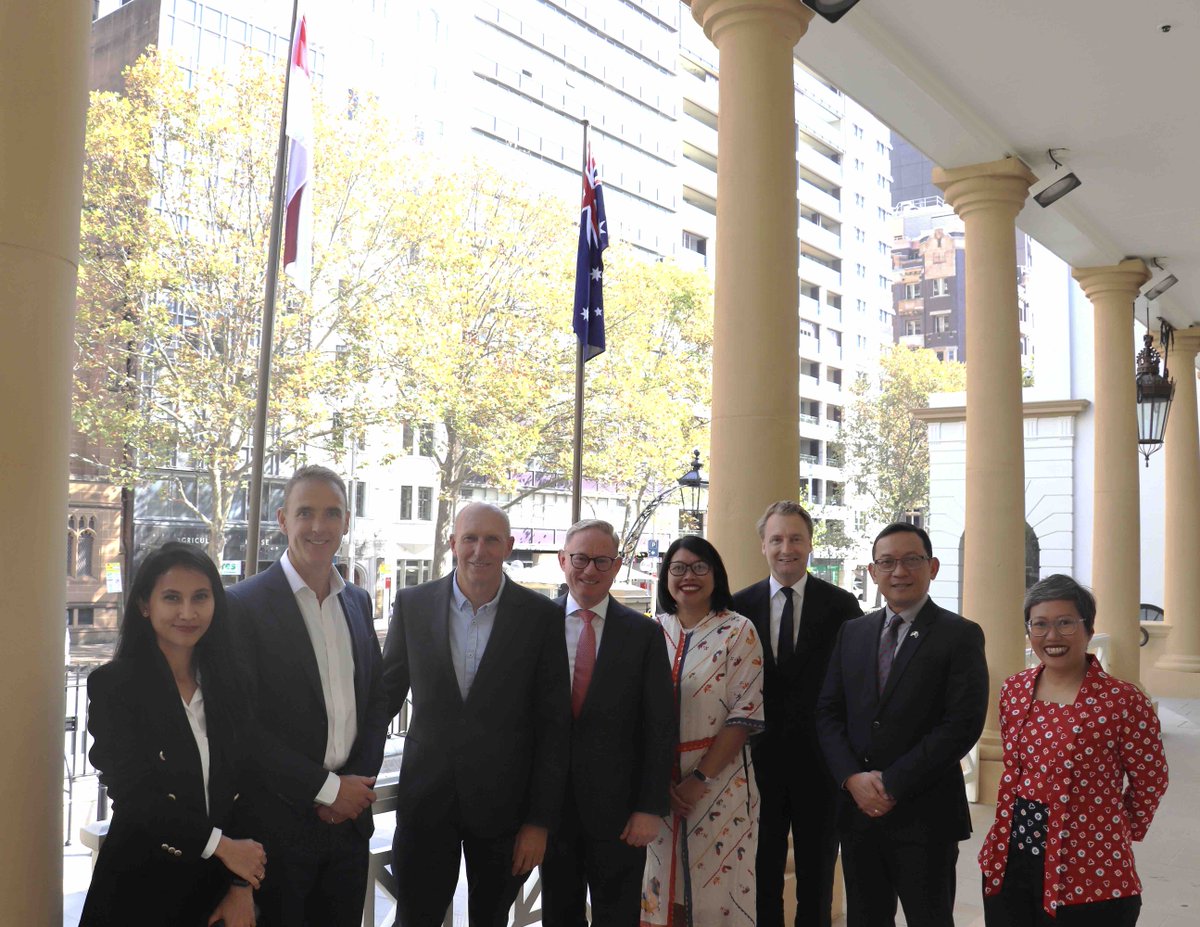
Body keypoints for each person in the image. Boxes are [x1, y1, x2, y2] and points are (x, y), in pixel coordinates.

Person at [382, 502, 571, 927]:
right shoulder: (413, 605)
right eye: (469, 538)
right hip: (426, 806)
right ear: (453, 544)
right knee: (414, 919)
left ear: (509, 546)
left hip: (506, 812)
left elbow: (554, 726)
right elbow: (385, 697)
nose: (478, 550)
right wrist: (351, 774)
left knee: (492, 920)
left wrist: (539, 821)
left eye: (490, 539)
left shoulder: (540, 616)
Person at [226, 465, 390, 927]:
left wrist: (353, 788)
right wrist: (326, 790)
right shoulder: (243, 605)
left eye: (331, 513)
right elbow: (242, 727)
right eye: (306, 513)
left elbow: (376, 704)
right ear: (282, 520)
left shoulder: (357, 601)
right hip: (279, 830)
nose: (319, 527)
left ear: (346, 522)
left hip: (350, 828)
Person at [81, 542, 265, 927]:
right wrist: (223, 847)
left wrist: (240, 886)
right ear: (145, 605)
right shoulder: (114, 686)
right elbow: (135, 796)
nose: (187, 612)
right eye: (171, 598)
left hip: (218, 891)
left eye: (200, 597)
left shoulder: (233, 683)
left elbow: (248, 790)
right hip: (142, 891)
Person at [816, 523, 988, 927]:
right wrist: (851, 779)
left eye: (911, 560)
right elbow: (827, 712)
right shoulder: (853, 632)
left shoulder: (959, 635)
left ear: (932, 567)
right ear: (873, 572)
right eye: (887, 562)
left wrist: (892, 782)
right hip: (859, 815)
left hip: (925, 816)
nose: (899, 572)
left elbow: (961, 724)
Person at [978, 574, 1168, 926]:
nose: (1052, 636)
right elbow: (1016, 769)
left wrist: (1112, 830)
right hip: (1010, 860)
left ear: (1088, 628)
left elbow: (1151, 780)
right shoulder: (1014, 690)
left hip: (1090, 870)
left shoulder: (1122, 700)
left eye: (1065, 623)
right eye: (1040, 624)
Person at [731, 501, 863, 927]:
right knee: (762, 871)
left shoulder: (843, 607)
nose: (786, 548)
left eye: (795, 539)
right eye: (776, 539)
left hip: (821, 767)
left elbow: (856, 687)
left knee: (818, 873)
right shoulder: (737, 607)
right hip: (754, 768)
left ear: (809, 544)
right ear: (763, 546)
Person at [539, 519, 673, 927]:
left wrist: (650, 807)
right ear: (563, 561)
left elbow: (659, 725)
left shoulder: (644, 634)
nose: (590, 570)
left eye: (602, 560)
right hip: (549, 809)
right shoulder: (534, 626)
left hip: (620, 814)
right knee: (559, 915)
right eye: (580, 558)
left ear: (617, 567)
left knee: (617, 916)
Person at [640, 535, 765, 927]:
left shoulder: (738, 630)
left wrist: (699, 778)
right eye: (678, 568)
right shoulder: (650, 631)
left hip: (720, 784)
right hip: (657, 786)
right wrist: (656, 781)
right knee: (660, 890)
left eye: (699, 567)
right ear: (665, 577)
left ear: (715, 575)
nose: (688, 576)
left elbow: (744, 715)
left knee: (717, 894)